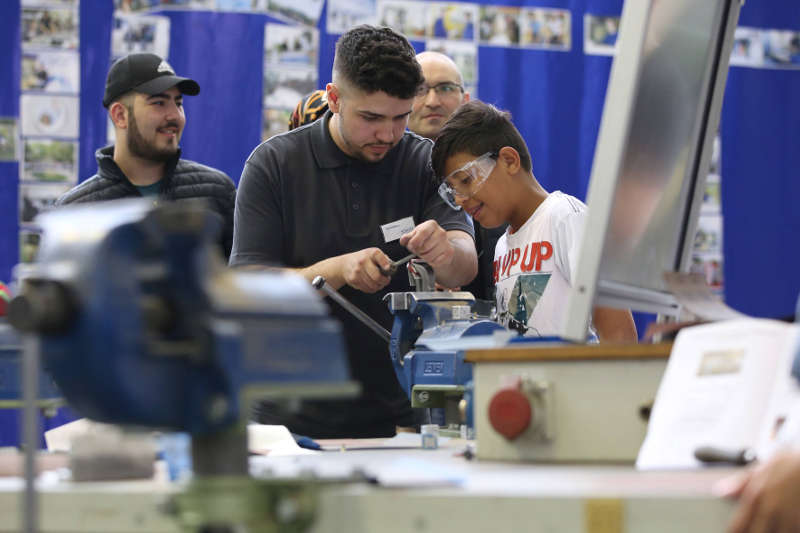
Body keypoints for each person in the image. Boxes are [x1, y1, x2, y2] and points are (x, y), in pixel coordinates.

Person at [231, 25, 477, 438]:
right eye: (371, 118)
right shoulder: (273, 165)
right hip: (286, 422)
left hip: (400, 415)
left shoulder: (423, 163)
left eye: (401, 117)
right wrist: (338, 270)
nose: (388, 135)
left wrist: (445, 252)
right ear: (334, 98)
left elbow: (464, 265)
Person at [431, 100, 638, 342]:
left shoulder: (565, 217)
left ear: (509, 160)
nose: (460, 200)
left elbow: (619, 333)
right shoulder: (501, 247)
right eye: (452, 191)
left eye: (466, 180)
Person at [57, 53, 236, 258]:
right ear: (120, 115)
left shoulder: (216, 191)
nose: (175, 116)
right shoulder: (74, 212)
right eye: (159, 103)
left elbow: (239, 283)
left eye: (178, 103)